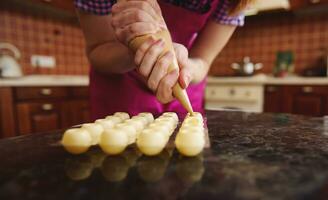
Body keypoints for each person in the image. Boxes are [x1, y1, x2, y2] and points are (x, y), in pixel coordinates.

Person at [74, 0, 253, 120]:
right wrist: (137, 52)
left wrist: (187, 67)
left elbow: (202, 61)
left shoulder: (235, 1)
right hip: (121, 93)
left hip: (185, 90)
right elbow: (98, 50)